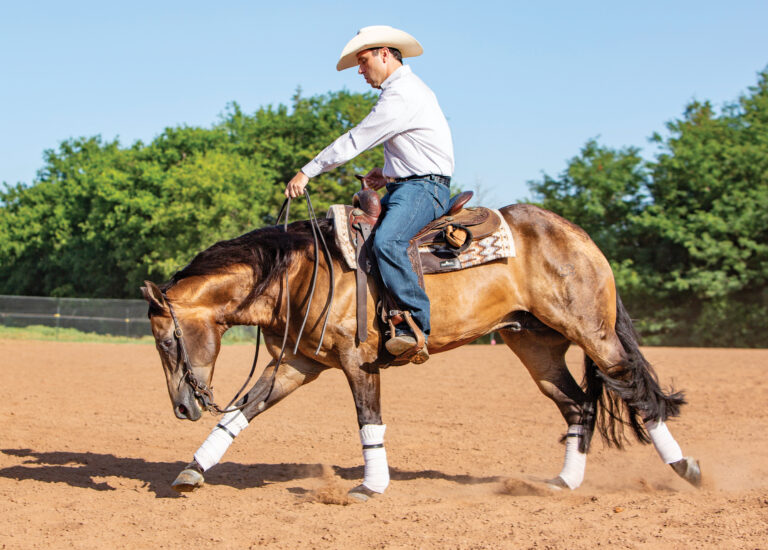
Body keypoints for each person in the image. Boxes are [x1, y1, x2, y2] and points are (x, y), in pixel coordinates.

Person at [284, 25, 455, 362]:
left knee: (387, 241)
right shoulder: (405, 91)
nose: (360, 71)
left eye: (363, 62)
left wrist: (308, 170)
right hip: (410, 184)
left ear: (384, 54)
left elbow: (355, 140)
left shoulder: (401, 94)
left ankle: (414, 326)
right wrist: (388, 173)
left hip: (423, 189)